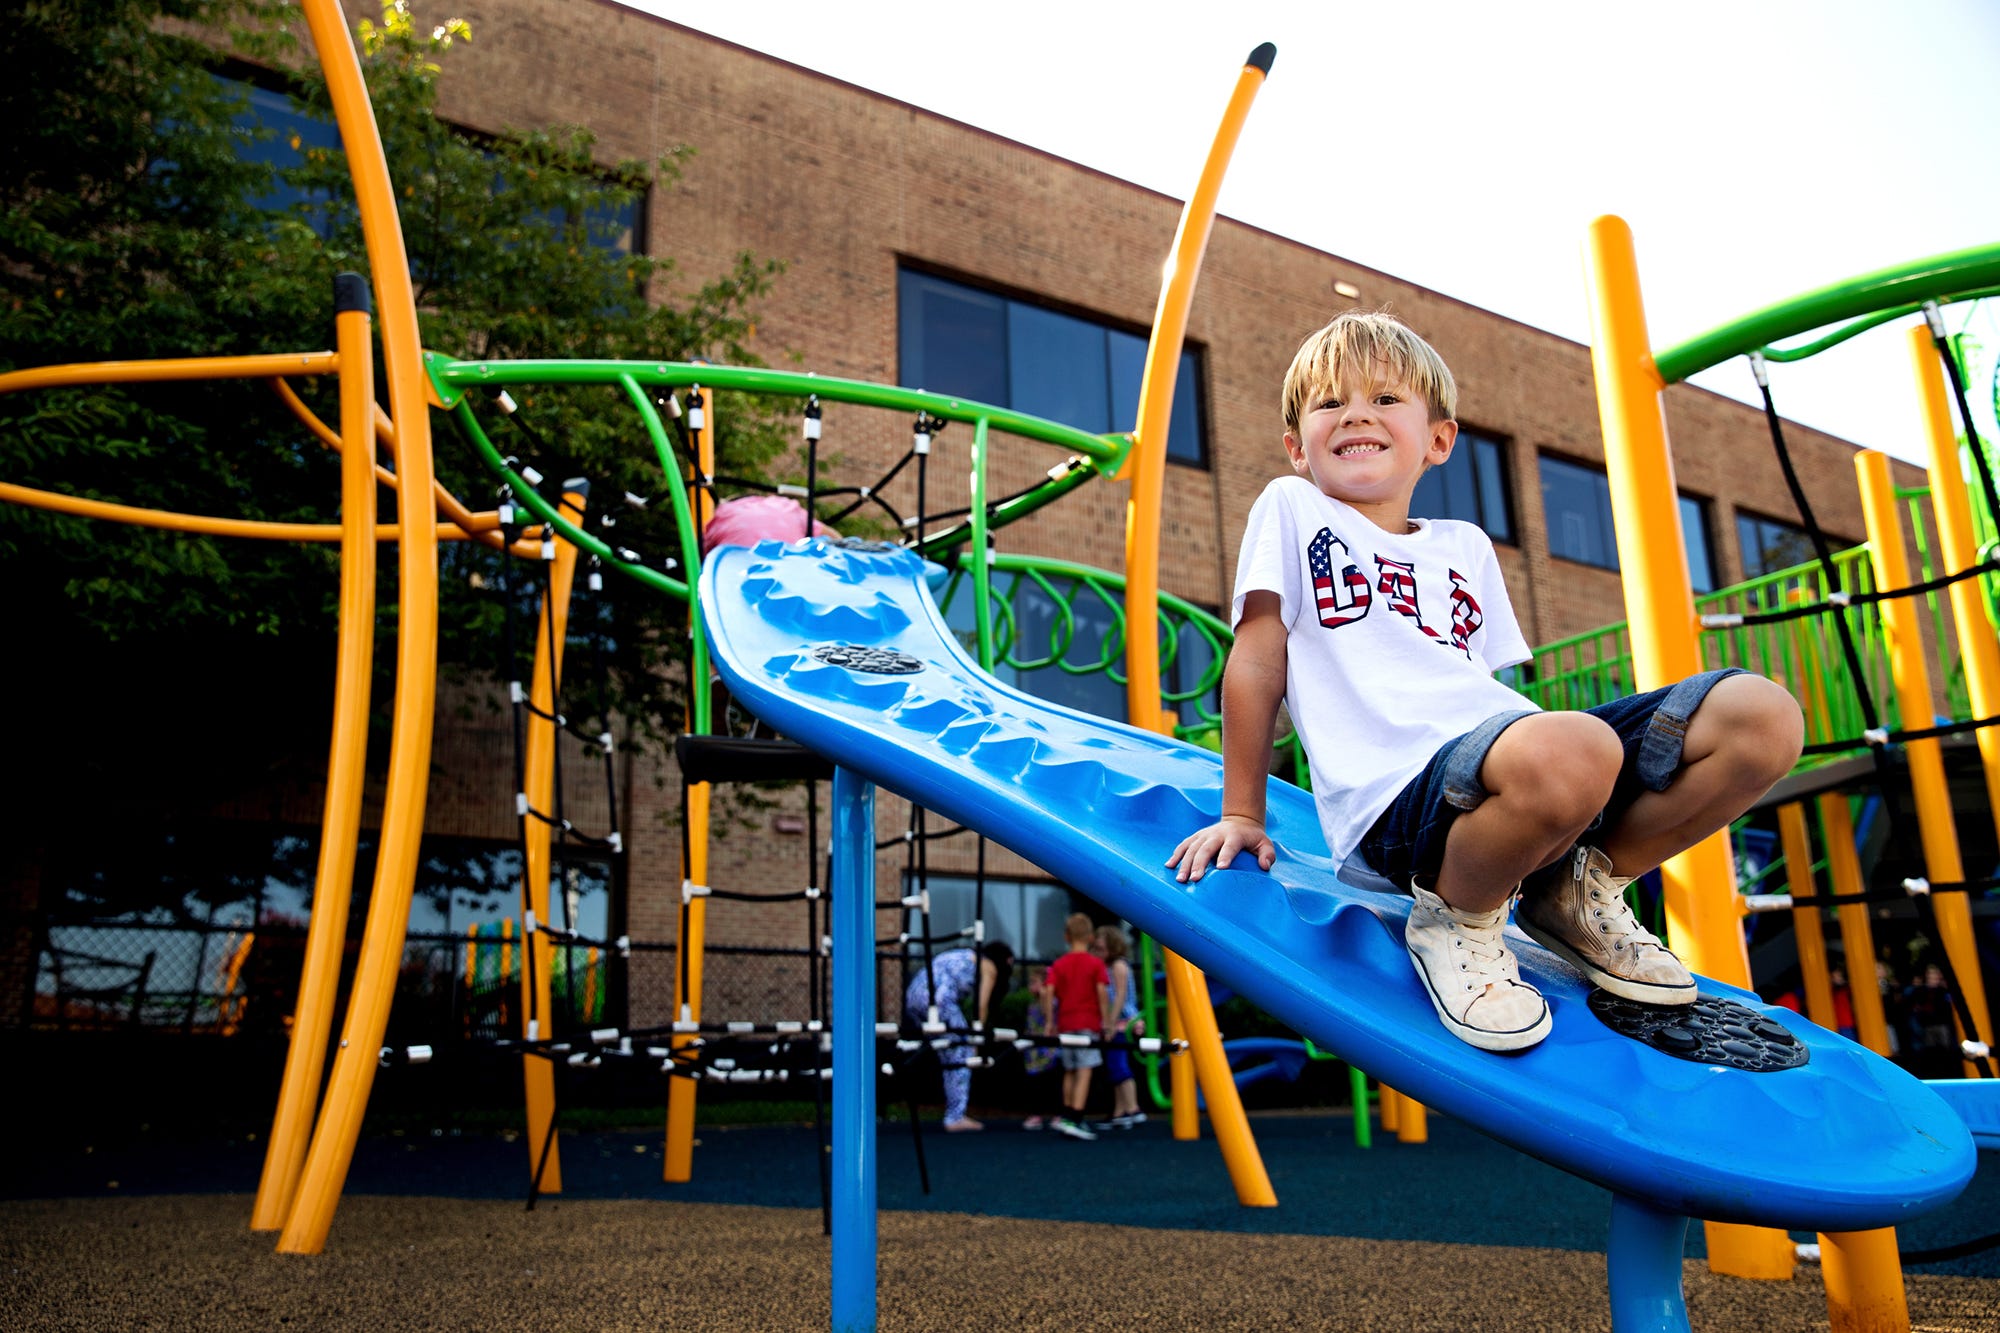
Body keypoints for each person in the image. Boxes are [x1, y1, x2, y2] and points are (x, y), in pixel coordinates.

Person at [1166, 311, 1804, 1053]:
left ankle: (1575, 889)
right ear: (1297, 447)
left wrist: (1548, 810)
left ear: (1439, 439)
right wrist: (1243, 810)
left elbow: (1483, 690)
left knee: (1762, 717)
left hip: (1512, 765)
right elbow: (1256, 660)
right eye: (1330, 402)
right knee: (1576, 748)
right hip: (1404, 799)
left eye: (1383, 398)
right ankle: (1458, 915)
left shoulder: (1465, 546)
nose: (1357, 414)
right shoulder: (1294, 507)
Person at [903, 939, 1014, 1132]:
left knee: (949, 1053)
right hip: (939, 999)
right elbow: (981, 1005)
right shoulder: (989, 967)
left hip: (915, 995)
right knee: (963, 1053)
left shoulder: (964, 955)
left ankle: (954, 1111)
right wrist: (976, 1038)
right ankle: (955, 1116)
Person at [1039, 912, 1111, 1139]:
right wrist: (1107, 1022)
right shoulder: (1095, 964)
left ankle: (1067, 1115)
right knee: (1084, 1070)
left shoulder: (1059, 965)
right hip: (1088, 1024)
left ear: (1066, 936)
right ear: (1090, 937)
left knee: (1069, 1070)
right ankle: (1076, 1119)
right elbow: (1102, 993)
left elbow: (1048, 992)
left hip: (1065, 1024)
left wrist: (1049, 1021)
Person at [1091, 924, 1147, 1128]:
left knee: (1118, 1064)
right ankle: (1119, 1111)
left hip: (1121, 1022)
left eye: (1101, 949)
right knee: (1114, 1066)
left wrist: (1110, 1023)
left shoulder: (1118, 965)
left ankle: (1133, 1108)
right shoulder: (1107, 967)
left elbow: (1121, 996)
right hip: (1116, 1021)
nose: (1097, 953)